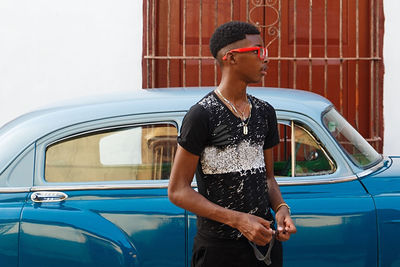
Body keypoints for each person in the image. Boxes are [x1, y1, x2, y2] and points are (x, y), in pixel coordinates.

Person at [168, 21, 296, 267]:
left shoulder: (265, 112)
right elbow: (177, 190)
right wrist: (238, 220)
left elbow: (268, 178)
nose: (266, 59)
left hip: (265, 246)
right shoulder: (201, 115)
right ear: (231, 58)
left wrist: (280, 209)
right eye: (258, 51)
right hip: (218, 251)